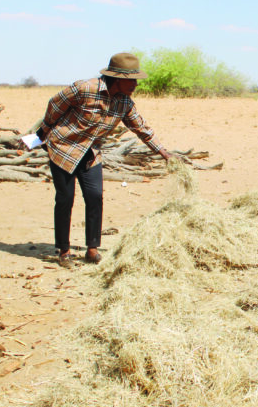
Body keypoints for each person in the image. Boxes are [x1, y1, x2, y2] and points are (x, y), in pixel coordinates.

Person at [37, 52, 173, 268]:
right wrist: (44, 129)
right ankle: (63, 251)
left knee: (95, 196)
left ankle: (92, 250)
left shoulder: (125, 102)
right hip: (63, 149)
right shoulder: (84, 88)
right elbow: (55, 104)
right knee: (66, 199)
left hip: (90, 153)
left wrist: (164, 152)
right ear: (117, 78)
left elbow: (140, 127)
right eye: (132, 79)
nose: (136, 84)